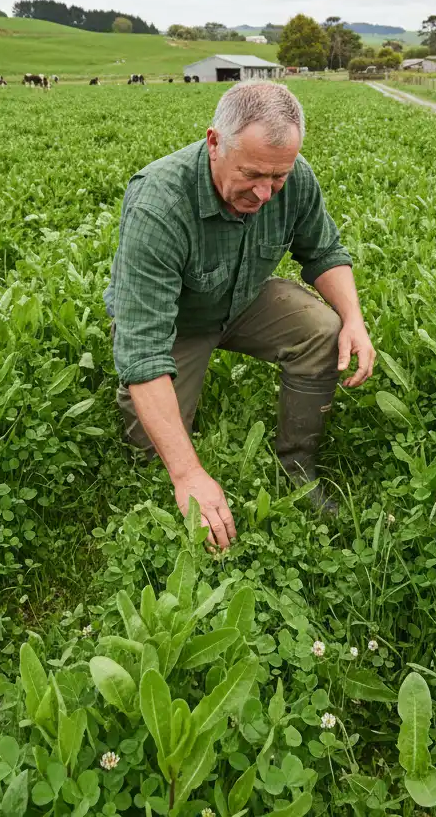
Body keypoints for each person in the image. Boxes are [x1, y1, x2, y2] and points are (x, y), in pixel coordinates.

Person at [104, 81, 375, 548]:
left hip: (244, 296)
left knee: (324, 330)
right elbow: (143, 349)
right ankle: (169, 441)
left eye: (278, 177)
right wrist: (188, 475)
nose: (265, 192)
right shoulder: (159, 203)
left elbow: (323, 251)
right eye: (251, 174)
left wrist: (354, 318)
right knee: (152, 453)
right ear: (214, 143)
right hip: (177, 321)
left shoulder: (294, 178)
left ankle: (296, 467)